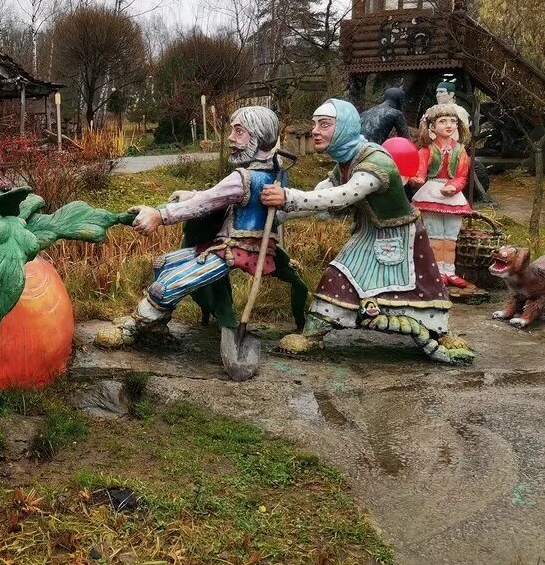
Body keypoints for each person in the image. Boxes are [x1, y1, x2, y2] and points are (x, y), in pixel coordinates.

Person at [94, 106, 308, 373]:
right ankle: (158, 326)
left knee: (168, 283)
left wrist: (160, 215)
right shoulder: (274, 170)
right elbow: (214, 196)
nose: (230, 137)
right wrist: (193, 193)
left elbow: (208, 201)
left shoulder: (243, 178)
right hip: (242, 247)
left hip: (236, 250)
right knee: (164, 263)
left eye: (239, 132)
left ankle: (137, 326)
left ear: (259, 137)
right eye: (232, 130)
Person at [261, 99, 474, 365]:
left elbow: (341, 197)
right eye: (315, 123)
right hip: (369, 233)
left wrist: (288, 197)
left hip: (401, 236)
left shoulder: (374, 162)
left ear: (345, 127)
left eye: (324, 124)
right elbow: (320, 195)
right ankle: (314, 332)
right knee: (339, 276)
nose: (315, 130)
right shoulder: (346, 162)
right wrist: (278, 215)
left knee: (420, 287)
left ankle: (440, 330)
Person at [410, 105, 474, 288]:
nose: (449, 125)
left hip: (452, 196)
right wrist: (410, 177)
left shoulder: (460, 150)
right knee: (435, 237)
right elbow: (420, 175)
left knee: (451, 238)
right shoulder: (426, 150)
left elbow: (462, 175)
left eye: (453, 121)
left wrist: (453, 186)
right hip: (432, 194)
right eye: (443, 121)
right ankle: (436, 271)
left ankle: (450, 271)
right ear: (431, 126)